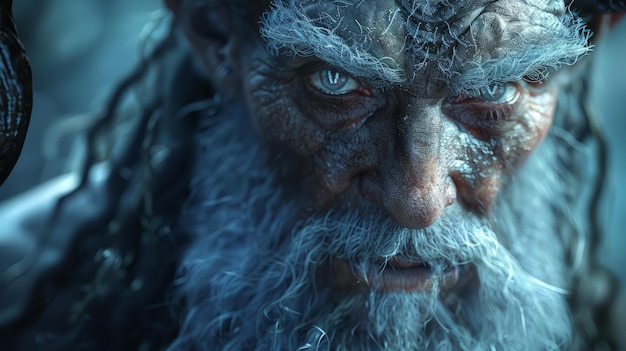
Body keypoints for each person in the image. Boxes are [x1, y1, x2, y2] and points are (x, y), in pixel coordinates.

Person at [1, 0, 625, 350]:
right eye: (336, 83)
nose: (418, 197)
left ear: (586, 41)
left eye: (494, 91)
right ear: (215, 31)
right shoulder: (20, 299)